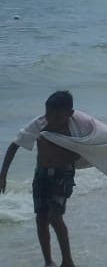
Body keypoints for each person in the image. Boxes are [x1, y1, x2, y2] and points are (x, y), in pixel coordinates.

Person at [1, 91, 80, 267]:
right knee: (41, 218)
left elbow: (93, 147)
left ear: (70, 113)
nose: (51, 119)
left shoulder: (75, 128)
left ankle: (68, 261)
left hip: (63, 175)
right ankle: (48, 261)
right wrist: (3, 174)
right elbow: (14, 145)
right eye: (48, 114)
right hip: (41, 174)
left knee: (55, 217)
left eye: (57, 116)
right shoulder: (40, 124)